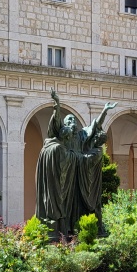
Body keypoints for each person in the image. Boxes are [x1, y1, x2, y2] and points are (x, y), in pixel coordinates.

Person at [35, 90, 116, 237]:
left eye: (74, 120)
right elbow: (56, 122)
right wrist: (57, 104)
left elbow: (95, 125)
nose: (73, 122)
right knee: (63, 201)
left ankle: (74, 228)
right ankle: (63, 229)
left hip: (78, 175)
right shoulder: (61, 136)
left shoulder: (81, 136)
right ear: (65, 125)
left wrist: (104, 111)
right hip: (64, 175)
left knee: (76, 204)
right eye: (69, 120)